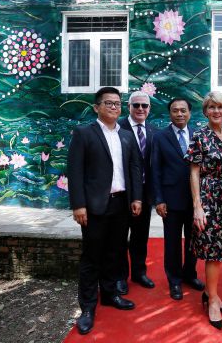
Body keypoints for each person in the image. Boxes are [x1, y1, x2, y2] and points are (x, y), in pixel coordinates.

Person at [67, 87, 143, 335]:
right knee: (92, 258)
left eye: (117, 103)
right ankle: (88, 308)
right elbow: (75, 172)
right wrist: (78, 205)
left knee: (115, 253)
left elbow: (133, 169)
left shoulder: (126, 135)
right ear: (96, 107)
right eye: (108, 103)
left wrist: (137, 198)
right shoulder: (84, 134)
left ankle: (110, 295)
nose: (114, 107)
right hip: (95, 206)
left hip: (121, 203)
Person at [186, 91, 222, 330]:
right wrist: (197, 206)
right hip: (208, 196)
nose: (216, 111)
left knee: (221, 247)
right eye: (211, 107)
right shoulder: (199, 135)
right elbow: (194, 172)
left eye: (220, 107)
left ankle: (211, 294)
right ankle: (212, 302)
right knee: (212, 250)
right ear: (206, 111)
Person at [151, 97, 205, 301]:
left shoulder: (198, 135)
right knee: (172, 243)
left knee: (193, 242)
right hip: (170, 201)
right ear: (170, 113)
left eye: (183, 110)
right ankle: (174, 280)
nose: (180, 114)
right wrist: (159, 199)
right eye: (175, 111)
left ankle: (189, 274)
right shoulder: (160, 137)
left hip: (194, 200)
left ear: (190, 113)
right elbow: (155, 169)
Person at [116, 91, 157, 293]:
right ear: (129, 107)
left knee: (141, 237)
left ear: (149, 109)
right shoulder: (117, 128)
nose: (141, 109)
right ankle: (120, 277)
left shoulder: (152, 131)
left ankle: (139, 273)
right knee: (120, 238)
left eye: (144, 106)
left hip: (145, 194)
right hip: (123, 194)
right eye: (136, 105)